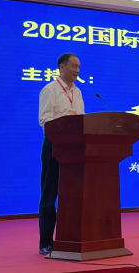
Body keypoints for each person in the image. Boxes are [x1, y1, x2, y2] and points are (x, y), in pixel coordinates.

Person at [38, 53, 84, 256]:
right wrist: (66, 120)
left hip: (75, 149)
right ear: (62, 67)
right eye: (74, 66)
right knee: (50, 195)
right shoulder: (50, 89)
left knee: (73, 194)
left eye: (79, 67)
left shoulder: (78, 92)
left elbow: (82, 120)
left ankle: (70, 240)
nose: (77, 71)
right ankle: (46, 243)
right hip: (54, 147)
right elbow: (45, 120)